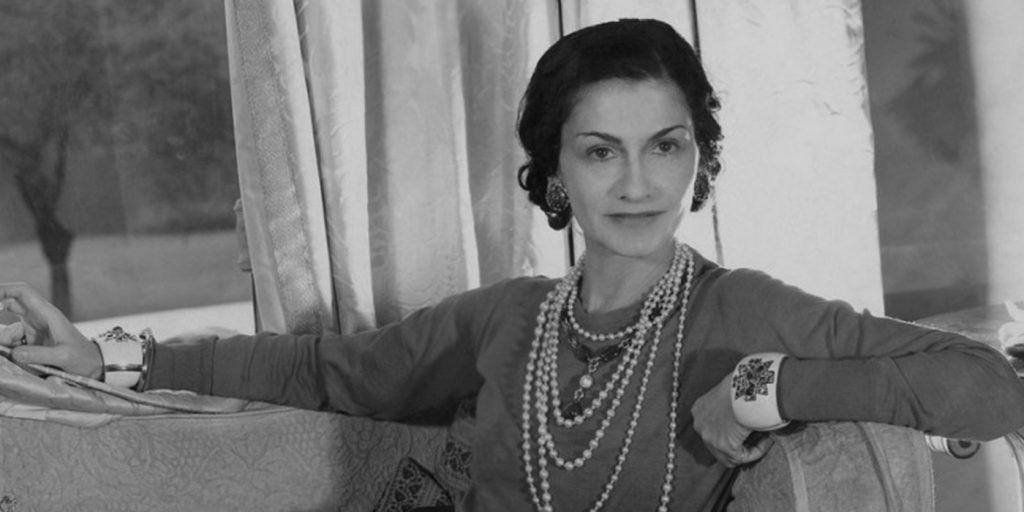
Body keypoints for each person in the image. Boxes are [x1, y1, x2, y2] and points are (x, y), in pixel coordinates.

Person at [2, 18, 1023, 512]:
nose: (638, 183)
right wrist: (109, 357)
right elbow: (318, 369)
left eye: (665, 146)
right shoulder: (504, 320)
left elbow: (985, 386)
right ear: (554, 171)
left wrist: (770, 387)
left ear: (698, 160)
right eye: (600, 151)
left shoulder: (740, 311)